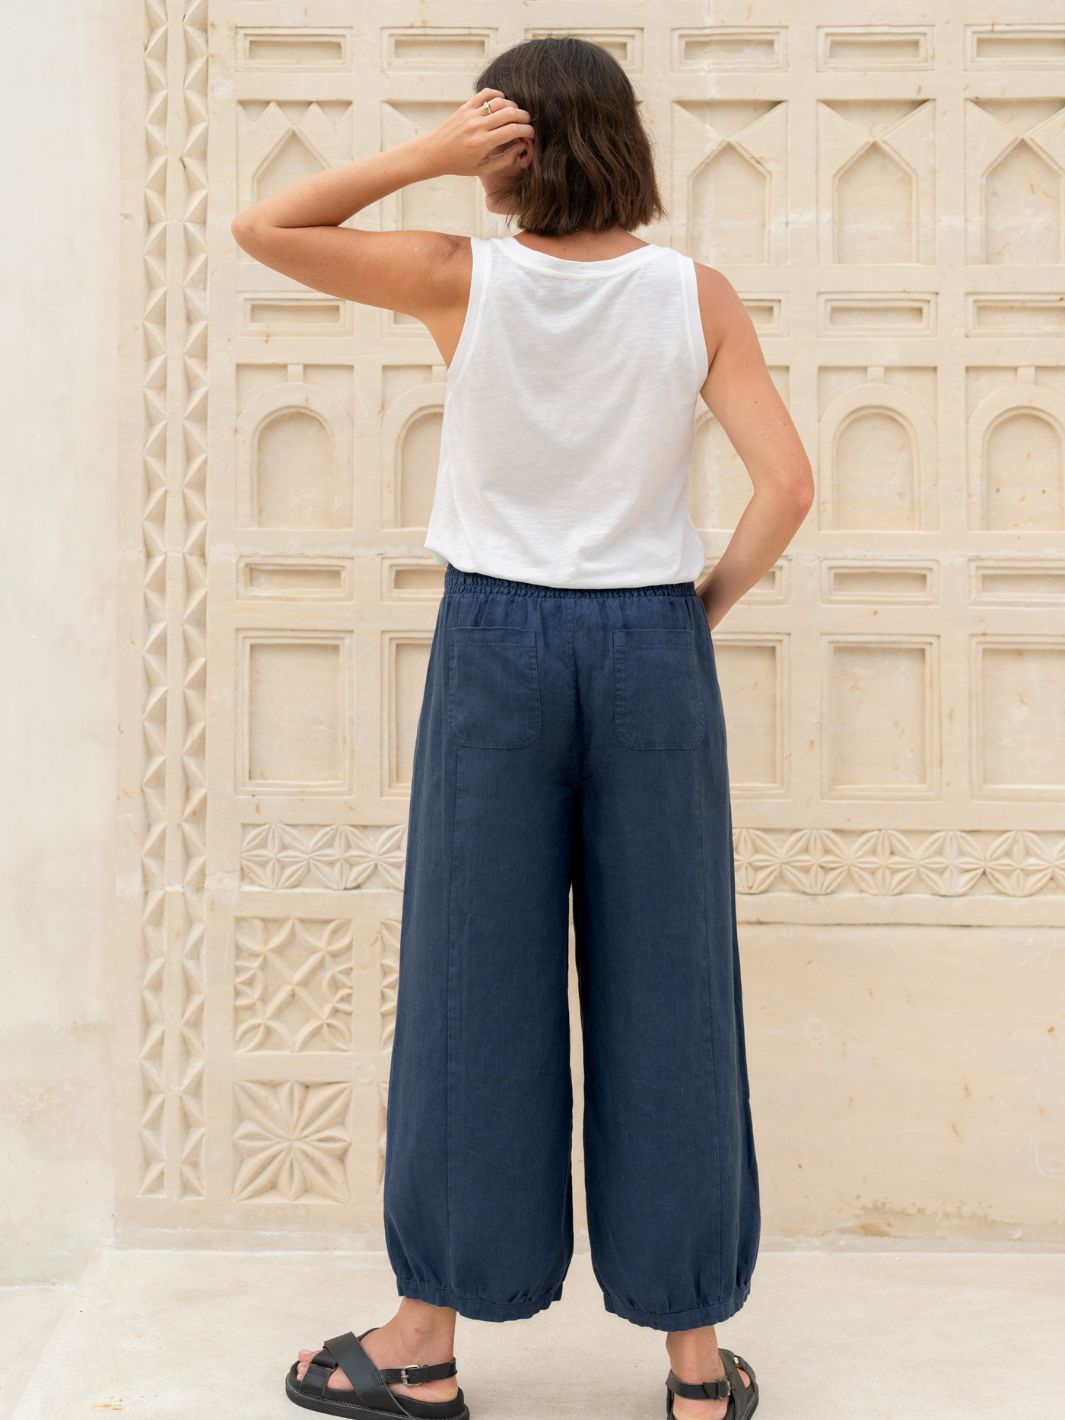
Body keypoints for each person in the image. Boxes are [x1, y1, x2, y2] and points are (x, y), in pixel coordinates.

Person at [232, 35, 812, 1420]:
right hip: (649, 646)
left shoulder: (458, 275)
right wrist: (691, 616)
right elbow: (786, 486)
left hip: (496, 646)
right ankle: (693, 1371)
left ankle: (422, 1345)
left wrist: (424, 156)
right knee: (673, 986)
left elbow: (267, 227)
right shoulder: (695, 294)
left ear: (511, 146)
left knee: (470, 981)